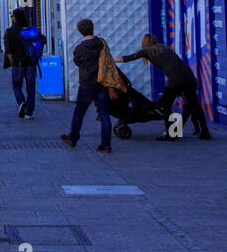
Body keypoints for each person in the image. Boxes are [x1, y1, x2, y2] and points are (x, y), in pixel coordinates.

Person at [118, 34, 211, 141]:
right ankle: (205, 132)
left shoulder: (146, 51)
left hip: (175, 80)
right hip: (189, 77)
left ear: (144, 44)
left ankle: (170, 134)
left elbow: (127, 58)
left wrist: (111, 60)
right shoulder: (165, 48)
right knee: (195, 105)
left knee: (165, 106)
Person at [62, 18, 112, 152]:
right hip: (101, 83)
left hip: (86, 84)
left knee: (79, 112)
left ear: (80, 31)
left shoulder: (80, 49)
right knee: (104, 114)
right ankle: (106, 144)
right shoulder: (101, 43)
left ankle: (73, 137)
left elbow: (77, 62)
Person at [4, 7, 42, 120]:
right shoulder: (30, 30)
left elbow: (8, 50)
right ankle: (29, 113)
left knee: (16, 85)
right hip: (30, 63)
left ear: (14, 18)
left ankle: (21, 102)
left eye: (12, 16)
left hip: (17, 63)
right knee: (31, 87)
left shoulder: (10, 31)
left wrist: (12, 62)